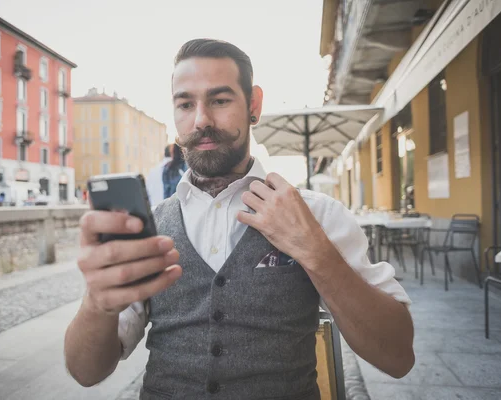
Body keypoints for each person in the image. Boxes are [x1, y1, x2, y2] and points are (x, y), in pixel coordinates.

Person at [65, 39, 414, 399]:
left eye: (219, 100)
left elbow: (397, 356)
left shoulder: (317, 214)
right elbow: (86, 372)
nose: (201, 120)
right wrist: (97, 302)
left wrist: (315, 251)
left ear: (254, 105)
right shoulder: (150, 228)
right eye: (185, 104)